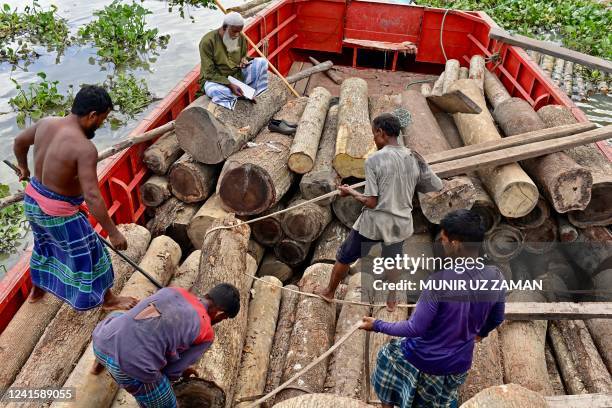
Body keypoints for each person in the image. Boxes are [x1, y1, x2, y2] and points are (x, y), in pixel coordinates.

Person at [361, 209, 506, 408]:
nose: (441, 243)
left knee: (387, 355)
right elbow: (497, 318)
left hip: (425, 361)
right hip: (459, 364)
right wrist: (480, 334)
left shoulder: (438, 283)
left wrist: (377, 324)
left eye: (444, 240)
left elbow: (415, 329)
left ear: (455, 244)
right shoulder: (496, 276)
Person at [13, 85, 136, 311]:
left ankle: (38, 288)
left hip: (33, 202)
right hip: (58, 214)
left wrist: (23, 166)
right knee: (91, 252)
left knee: (44, 245)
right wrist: (113, 231)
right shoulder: (84, 148)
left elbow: (19, 142)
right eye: (102, 119)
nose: (100, 125)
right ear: (91, 115)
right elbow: (92, 195)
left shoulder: (46, 123)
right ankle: (108, 300)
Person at [315, 113, 443, 309]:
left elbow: (372, 202)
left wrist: (350, 192)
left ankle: (329, 292)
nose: (374, 139)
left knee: (345, 255)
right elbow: (435, 185)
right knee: (393, 260)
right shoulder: (414, 157)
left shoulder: (374, 160)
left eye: (374, 134)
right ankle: (391, 300)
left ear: (381, 133)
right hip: (400, 223)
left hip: (375, 224)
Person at [91, 283, 241, 408]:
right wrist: (179, 371)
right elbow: (171, 372)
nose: (220, 321)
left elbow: (150, 325)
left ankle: (97, 365)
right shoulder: (206, 332)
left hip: (101, 341)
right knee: (168, 403)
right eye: (224, 318)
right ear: (220, 313)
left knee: (121, 319)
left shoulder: (174, 290)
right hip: (128, 369)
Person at [199, 11, 268, 110]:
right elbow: (209, 73)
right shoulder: (208, 41)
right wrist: (230, 84)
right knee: (214, 90)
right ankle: (243, 94)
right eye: (234, 32)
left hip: (237, 75)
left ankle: (249, 92)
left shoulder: (241, 37)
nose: (237, 35)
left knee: (262, 62)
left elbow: (244, 56)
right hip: (216, 80)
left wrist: (244, 61)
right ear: (224, 27)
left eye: (239, 31)